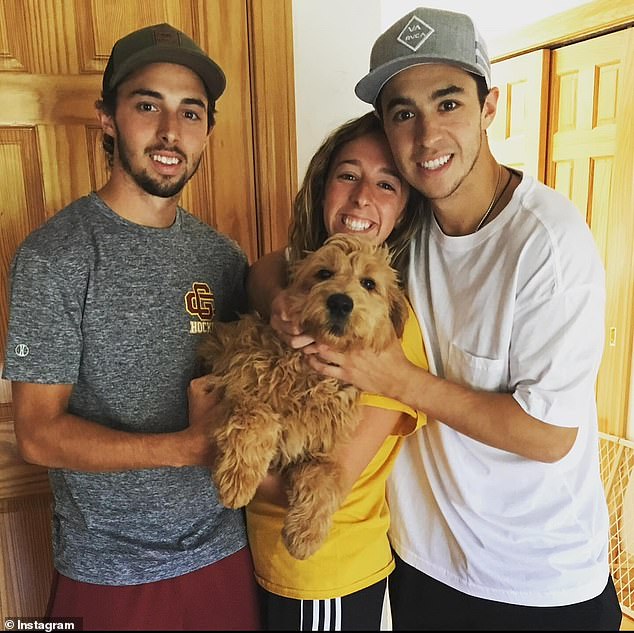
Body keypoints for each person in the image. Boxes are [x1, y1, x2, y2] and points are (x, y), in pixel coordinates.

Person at [298, 6, 620, 631]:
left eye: (448, 104)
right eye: (404, 114)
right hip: (422, 568)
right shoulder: (400, 235)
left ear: (489, 106)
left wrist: (397, 379)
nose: (426, 137)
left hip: (537, 586)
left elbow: (548, 436)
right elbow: (289, 267)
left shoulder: (547, 242)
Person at [2, 23, 261, 630]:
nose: (171, 133)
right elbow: (37, 435)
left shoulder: (223, 260)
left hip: (225, 556)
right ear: (108, 120)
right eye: (148, 105)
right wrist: (182, 450)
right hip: (108, 572)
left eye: (190, 113)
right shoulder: (54, 257)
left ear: (207, 132)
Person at [246, 112, 428, 631]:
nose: (362, 197)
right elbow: (263, 270)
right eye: (348, 175)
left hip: (324, 571)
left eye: (386, 183)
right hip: (261, 557)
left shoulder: (387, 330)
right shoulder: (296, 290)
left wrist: (197, 451)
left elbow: (319, 487)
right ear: (322, 186)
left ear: (405, 206)